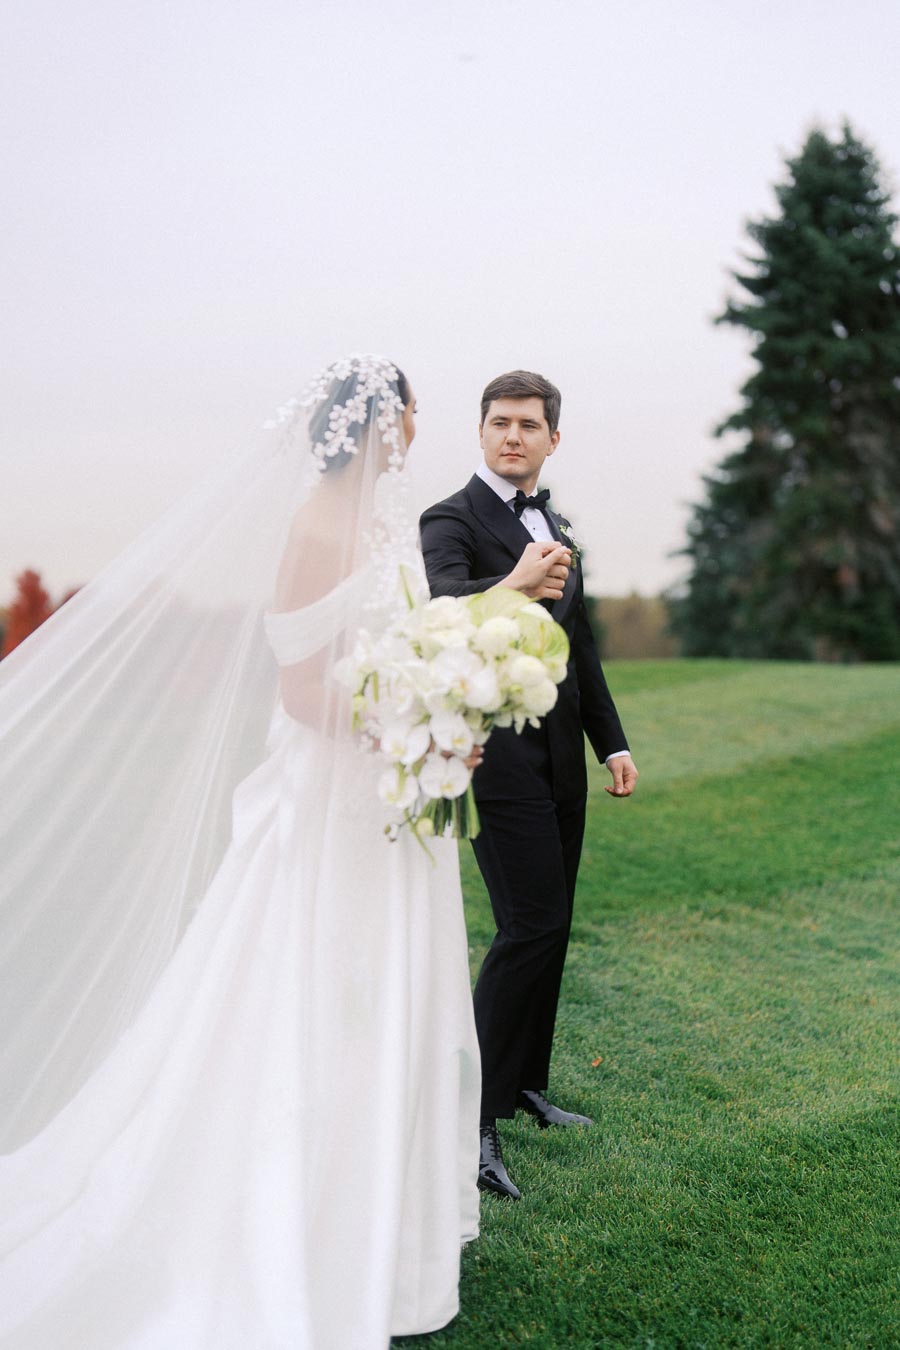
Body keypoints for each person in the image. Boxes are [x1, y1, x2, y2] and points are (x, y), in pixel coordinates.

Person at [0, 355, 481, 1348]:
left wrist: (444, 711)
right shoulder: (314, 525)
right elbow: (304, 691)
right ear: (378, 423)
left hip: (396, 790)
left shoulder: (387, 519)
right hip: (335, 791)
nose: (423, 425)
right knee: (313, 986)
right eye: (414, 411)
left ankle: (380, 1216)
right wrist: (416, 733)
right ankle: (285, 1211)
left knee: (383, 996)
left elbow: (400, 643)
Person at [419, 368, 638, 1200]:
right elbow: (441, 606)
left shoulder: (559, 523)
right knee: (528, 927)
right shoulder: (450, 518)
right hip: (492, 756)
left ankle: (522, 1086)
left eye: (528, 424)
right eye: (499, 422)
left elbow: (578, 647)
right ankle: (467, 1121)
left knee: (555, 924)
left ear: (553, 438)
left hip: (559, 759)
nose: (512, 435)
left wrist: (610, 743)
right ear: (481, 432)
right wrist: (513, 582)